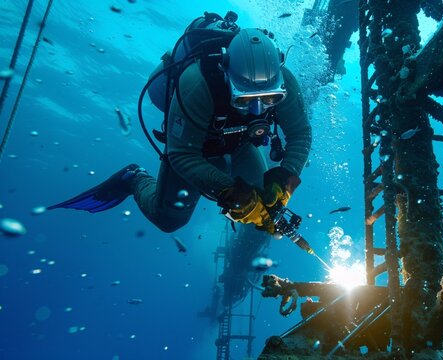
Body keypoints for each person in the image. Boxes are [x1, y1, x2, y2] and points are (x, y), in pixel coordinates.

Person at [48, 12, 312, 238]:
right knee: (169, 220)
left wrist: (285, 179)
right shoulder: (197, 84)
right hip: (193, 145)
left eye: (269, 99)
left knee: (266, 206)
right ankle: (134, 178)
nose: (257, 110)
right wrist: (228, 189)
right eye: (244, 100)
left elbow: (300, 133)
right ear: (227, 75)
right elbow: (181, 154)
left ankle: (238, 179)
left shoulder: (285, 81)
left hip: (239, 142)